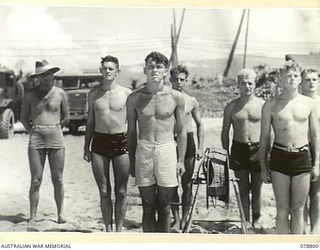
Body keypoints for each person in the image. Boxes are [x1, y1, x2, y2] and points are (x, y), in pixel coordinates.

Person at [126, 51, 187, 233]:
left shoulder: (176, 97)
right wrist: (131, 159)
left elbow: (182, 130)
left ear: (166, 70)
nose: (154, 70)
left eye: (159, 67)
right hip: (144, 149)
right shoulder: (134, 98)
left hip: (167, 149)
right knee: (147, 205)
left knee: (165, 205)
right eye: (151, 67)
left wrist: (181, 160)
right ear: (145, 69)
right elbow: (130, 131)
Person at [260, 61, 319, 234]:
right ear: (280, 79)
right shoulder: (270, 105)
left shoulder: (309, 104)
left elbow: (315, 136)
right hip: (280, 157)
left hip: (302, 157)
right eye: (288, 76)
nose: (292, 79)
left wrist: (316, 164)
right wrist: (264, 166)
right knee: (282, 209)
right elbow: (264, 138)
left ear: (300, 79)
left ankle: (297, 244)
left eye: (295, 75)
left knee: (298, 209)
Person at [83, 55, 131, 232]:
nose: (108, 71)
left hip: (121, 142)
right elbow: (90, 123)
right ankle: (108, 229)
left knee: (121, 191)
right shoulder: (94, 95)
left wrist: (134, 147)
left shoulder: (127, 94)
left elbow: (133, 124)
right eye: (105, 68)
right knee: (104, 191)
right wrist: (86, 147)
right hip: (99, 143)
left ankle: (118, 229)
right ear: (100, 70)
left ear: (118, 71)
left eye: (111, 68)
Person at [20, 60, 70, 225]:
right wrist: (34, 131)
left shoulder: (60, 93)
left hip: (56, 136)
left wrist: (54, 128)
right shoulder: (30, 95)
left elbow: (66, 117)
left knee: (58, 178)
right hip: (36, 138)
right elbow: (23, 117)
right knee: (36, 179)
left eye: (48, 74)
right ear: (38, 77)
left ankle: (61, 214)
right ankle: (33, 216)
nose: (46, 77)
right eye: (42, 75)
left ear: (52, 75)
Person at [221, 68, 264, 228]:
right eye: (243, 83)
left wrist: (267, 152)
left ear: (255, 85)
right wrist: (226, 154)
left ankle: (257, 218)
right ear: (238, 85)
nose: (247, 86)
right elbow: (225, 132)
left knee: (257, 187)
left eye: (250, 83)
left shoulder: (262, 105)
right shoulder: (231, 107)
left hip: (258, 149)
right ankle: (245, 219)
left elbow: (269, 131)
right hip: (239, 149)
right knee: (243, 187)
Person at [169, 65, 204, 231]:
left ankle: (185, 218)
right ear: (170, 80)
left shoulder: (191, 101)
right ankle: (176, 219)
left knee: (187, 183)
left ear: (186, 81)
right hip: (169, 141)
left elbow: (200, 125)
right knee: (170, 184)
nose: (179, 82)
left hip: (188, 141)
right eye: (176, 79)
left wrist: (200, 148)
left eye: (182, 79)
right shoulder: (165, 99)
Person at [301, 68, 320, 234]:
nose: (311, 82)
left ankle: (315, 231)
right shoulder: (296, 102)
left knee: (317, 194)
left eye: (314, 79)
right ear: (301, 82)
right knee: (301, 196)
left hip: (318, 151)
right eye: (307, 79)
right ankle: (303, 231)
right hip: (301, 150)